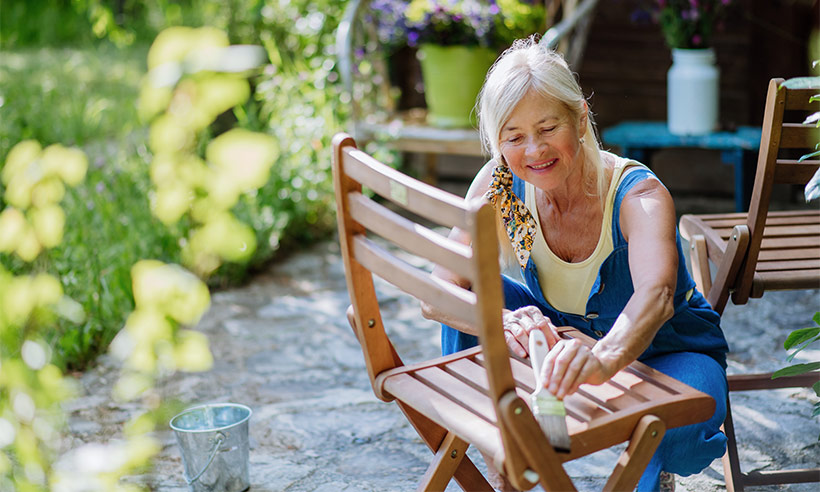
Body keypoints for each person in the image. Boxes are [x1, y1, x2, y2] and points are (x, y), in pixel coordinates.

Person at [420, 37, 729, 492]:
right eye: (515, 136)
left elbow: (657, 297)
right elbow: (437, 293)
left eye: (547, 128)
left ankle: (650, 474)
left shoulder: (637, 195)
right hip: (559, 334)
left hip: (668, 351)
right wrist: (502, 322)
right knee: (475, 302)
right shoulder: (499, 186)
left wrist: (601, 359)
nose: (534, 151)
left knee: (679, 431)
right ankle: (508, 468)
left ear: (580, 117)